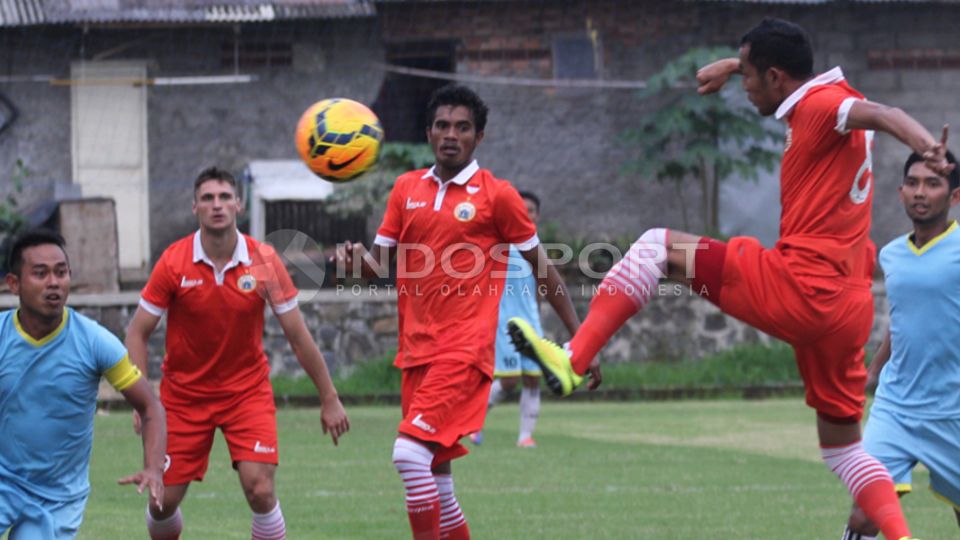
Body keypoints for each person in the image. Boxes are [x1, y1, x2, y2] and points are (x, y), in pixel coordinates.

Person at [507, 18, 952, 540]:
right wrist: (733, 64)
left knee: (655, 247)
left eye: (750, 78)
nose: (745, 87)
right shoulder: (826, 90)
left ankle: (572, 359)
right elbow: (834, 97)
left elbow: (884, 114)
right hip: (847, 309)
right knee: (844, 450)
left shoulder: (820, 106)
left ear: (777, 77)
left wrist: (927, 147)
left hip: (802, 286)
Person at [335, 84, 581, 539]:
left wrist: (580, 341)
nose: (452, 134)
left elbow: (544, 269)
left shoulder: (497, 196)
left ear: (479, 137)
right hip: (415, 353)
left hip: (464, 350)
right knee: (440, 483)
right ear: (429, 133)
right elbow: (376, 267)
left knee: (409, 456)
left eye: (463, 127)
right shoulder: (406, 188)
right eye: (443, 125)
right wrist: (354, 264)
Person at [126, 167, 350, 540]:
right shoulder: (173, 261)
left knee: (259, 489)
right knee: (162, 502)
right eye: (209, 198)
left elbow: (297, 334)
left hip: (246, 394)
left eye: (225, 197)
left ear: (239, 205)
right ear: (194, 206)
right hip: (183, 397)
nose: (218, 205)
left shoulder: (263, 259)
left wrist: (329, 397)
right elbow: (137, 332)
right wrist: (141, 399)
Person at [0, 229, 166, 539]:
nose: (54, 282)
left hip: (57, 496)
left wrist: (153, 468)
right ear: (14, 284)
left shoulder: (94, 341)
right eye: (40, 273)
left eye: (61, 273)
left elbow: (150, 406)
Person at [840, 152, 960, 539]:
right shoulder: (891, 255)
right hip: (898, 408)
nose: (920, 192)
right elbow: (904, 318)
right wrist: (871, 373)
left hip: (953, 412)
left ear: (954, 196)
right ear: (900, 192)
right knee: (864, 515)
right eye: (913, 183)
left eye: (933, 183)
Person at [470, 190, 545, 448]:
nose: (527, 213)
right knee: (510, 380)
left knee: (534, 377)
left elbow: (541, 286)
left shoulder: (537, 247)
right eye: (522, 208)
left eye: (531, 210)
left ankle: (525, 436)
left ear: (537, 215)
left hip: (531, 322)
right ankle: (474, 422)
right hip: (504, 323)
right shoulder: (499, 242)